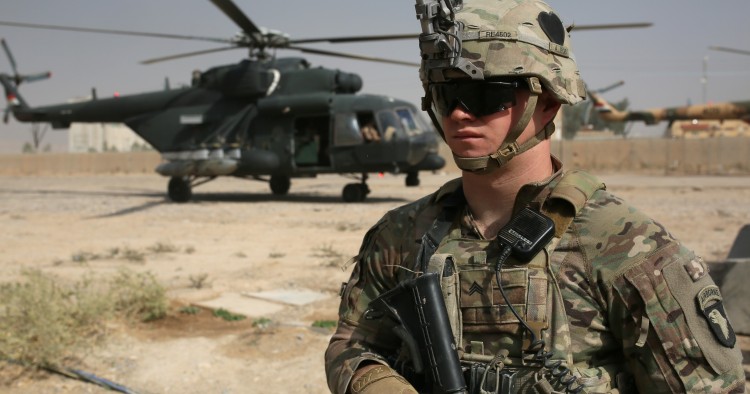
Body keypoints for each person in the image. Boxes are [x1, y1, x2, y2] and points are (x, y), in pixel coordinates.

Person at [325, 1, 746, 393]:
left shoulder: (628, 247)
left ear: (548, 103)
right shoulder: (400, 235)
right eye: (444, 94)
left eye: (486, 95)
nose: (457, 114)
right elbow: (353, 344)